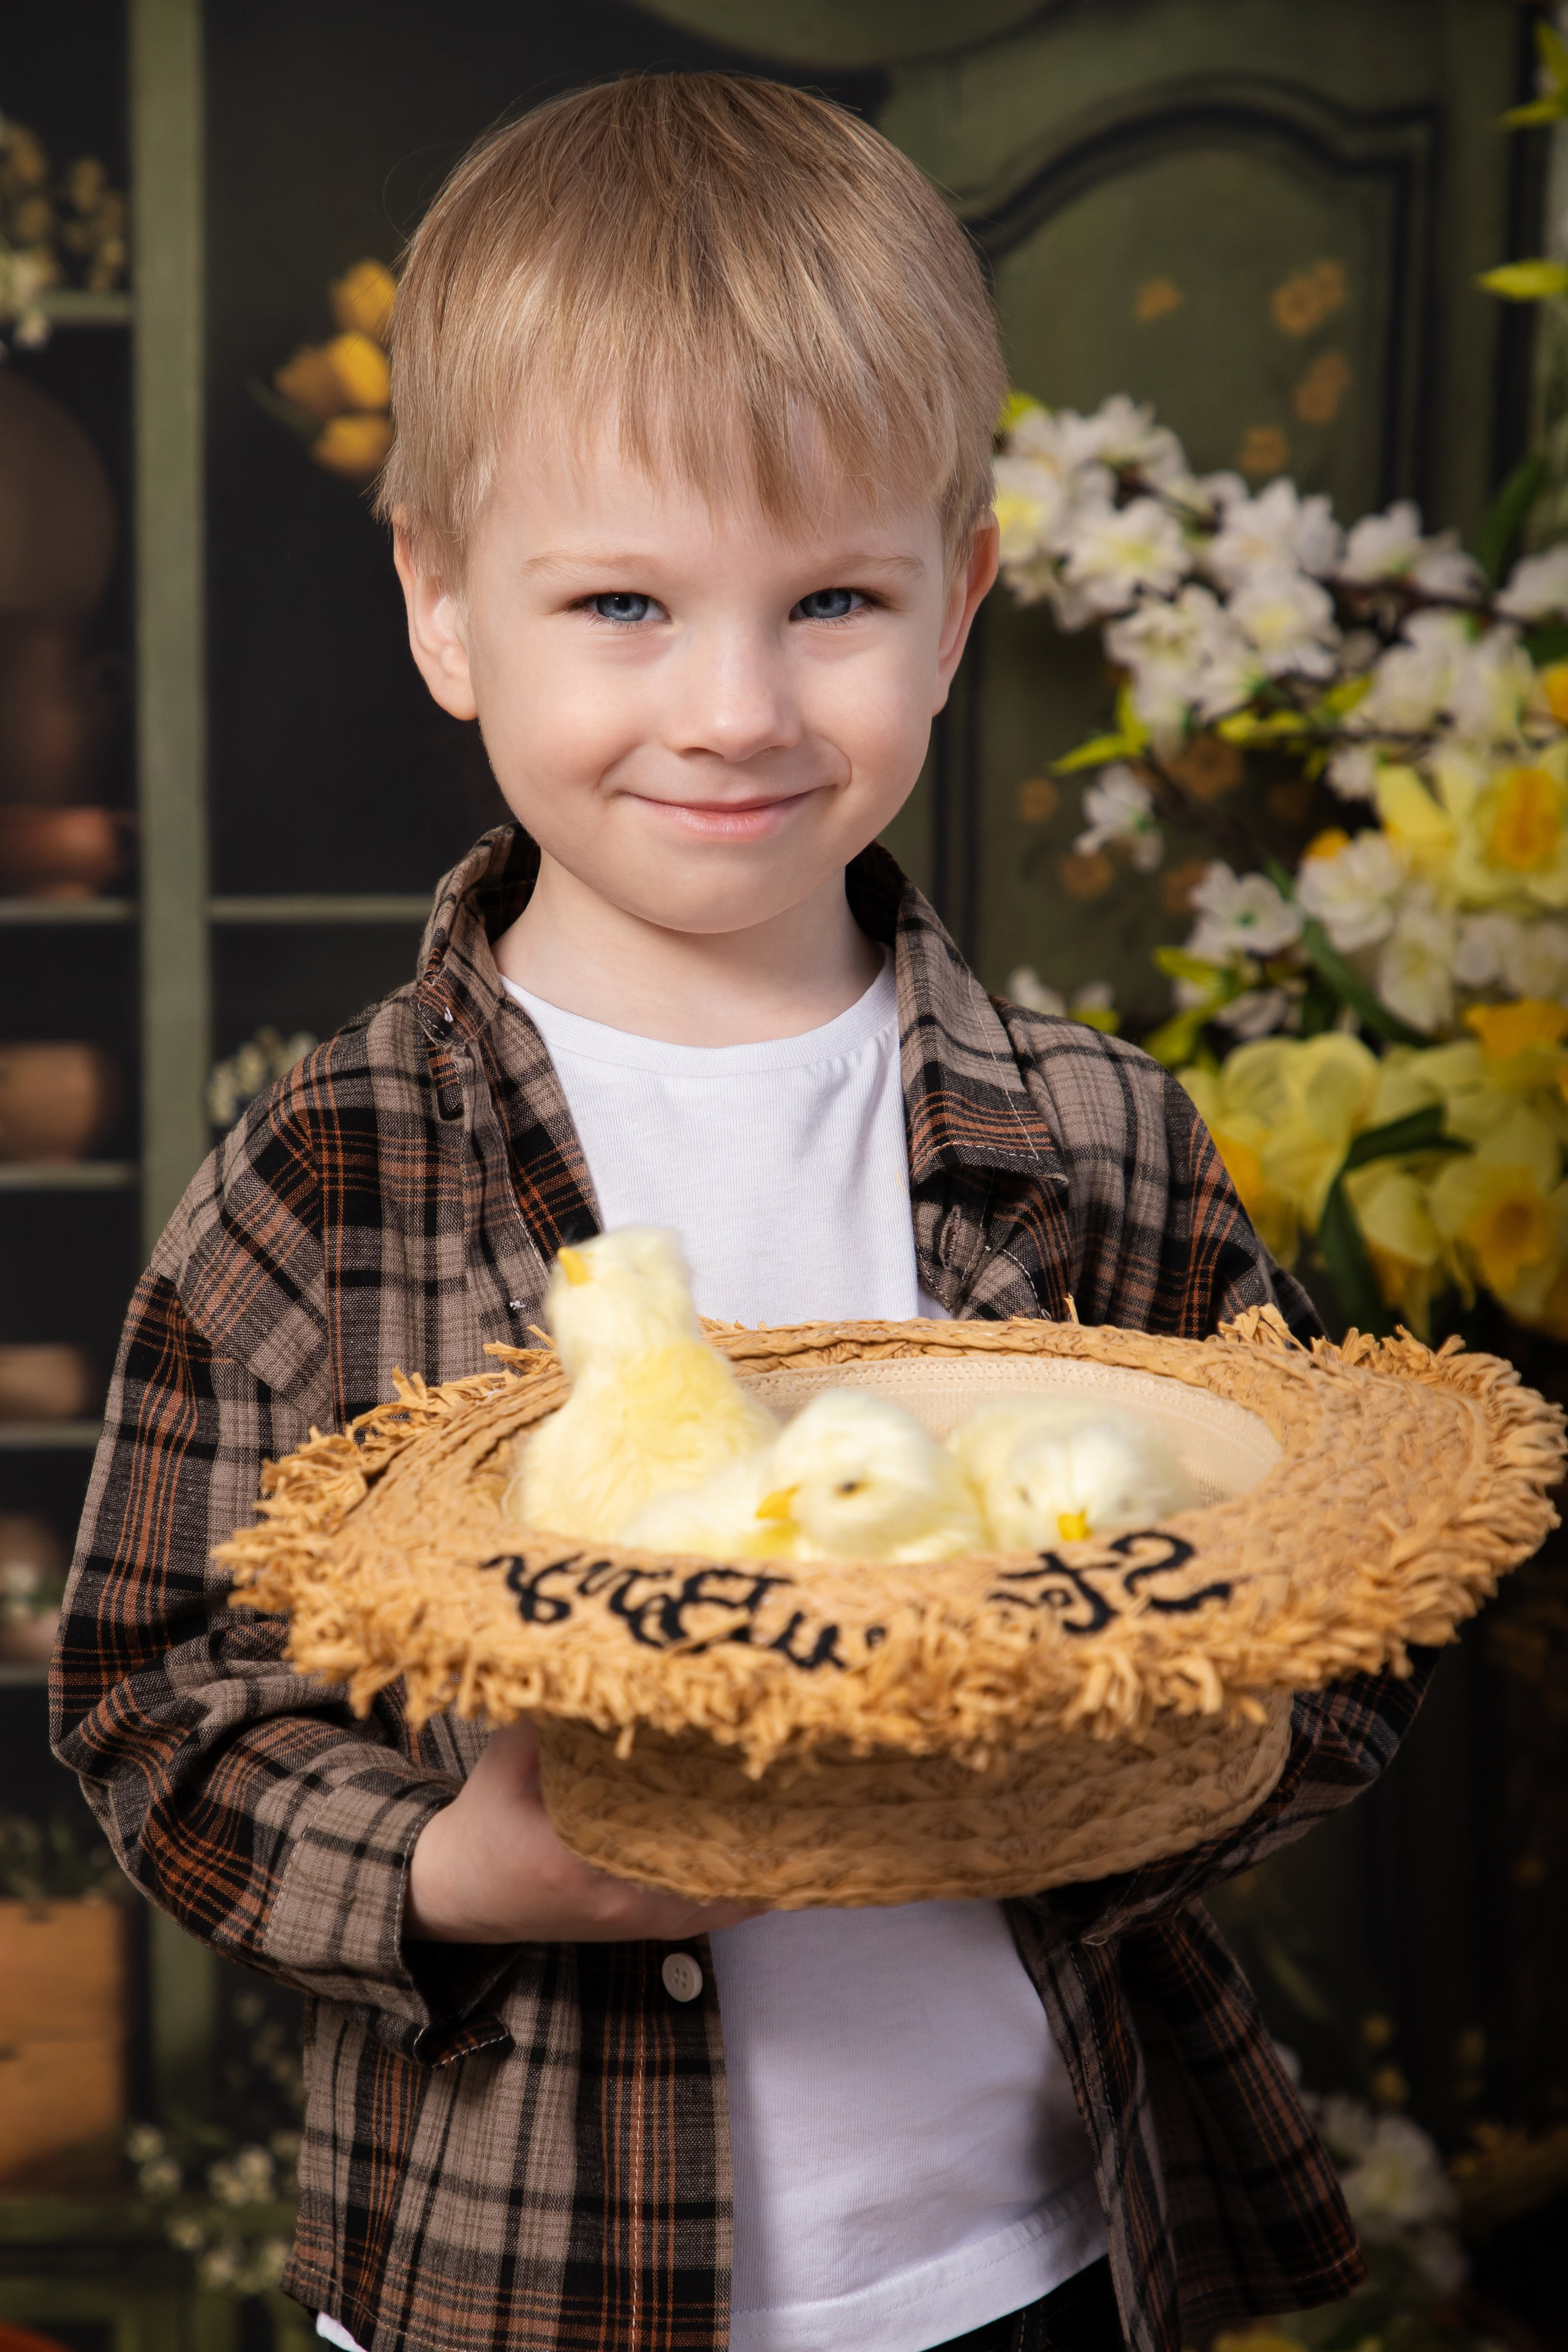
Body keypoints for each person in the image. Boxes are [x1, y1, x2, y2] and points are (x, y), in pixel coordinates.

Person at [53, 73, 1428, 2352]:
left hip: (1034, 2257)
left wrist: (1138, 1751)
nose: (732, 705)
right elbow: (145, 1697)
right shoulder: (328, 1167)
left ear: (960, 595)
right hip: (512, 2281)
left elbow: (1345, 1607)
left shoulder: (1103, 1141)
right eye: (619, 599)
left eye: (832, 599)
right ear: (442, 607)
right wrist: (447, 1866)